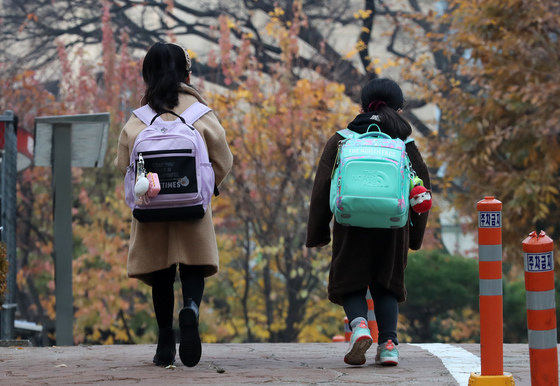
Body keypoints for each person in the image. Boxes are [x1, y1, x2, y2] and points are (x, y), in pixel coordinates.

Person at [115, 42, 233, 367]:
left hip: (151, 208)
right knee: (193, 266)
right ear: (187, 73)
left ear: (147, 75)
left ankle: (165, 341)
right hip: (192, 205)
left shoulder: (139, 119)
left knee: (161, 274)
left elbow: (122, 161)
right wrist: (207, 187)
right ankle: (191, 309)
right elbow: (224, 159)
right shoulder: (200, 115)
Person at [306, 78, 430, 366]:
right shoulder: (404, 143)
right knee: (386, 285)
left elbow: (322, 186)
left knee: (349, 282)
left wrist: (319, 232)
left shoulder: (342, 139)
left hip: (351, 225)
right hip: (393, 227)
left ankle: (360, 326)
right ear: (399, 109)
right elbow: (421, 188)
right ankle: (388, 345)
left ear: (363, 106)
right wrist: (414, 237)